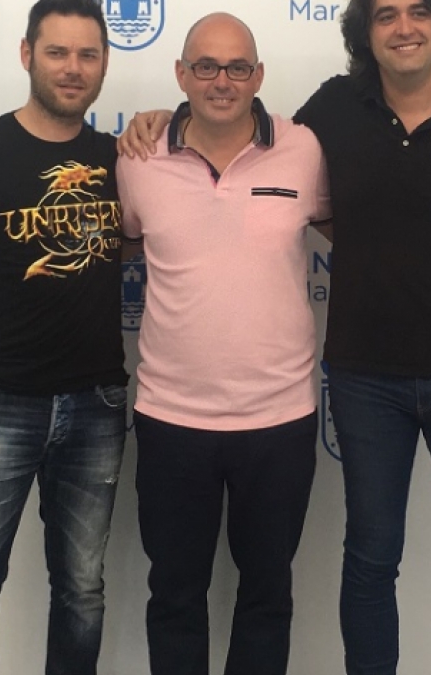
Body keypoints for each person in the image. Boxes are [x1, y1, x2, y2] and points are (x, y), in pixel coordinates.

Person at [122, 1, 431, 672]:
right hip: (362, 381)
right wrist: (155, 119)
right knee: (369, 561)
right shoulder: (330, 111)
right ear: (365, 34)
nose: (403, 27)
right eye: (385, 16)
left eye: (418, 12)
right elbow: (226, 132)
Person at [115, 12, 331, 675]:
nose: (222, 81)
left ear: (258, 76)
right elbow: (118, 243)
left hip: (280, 418)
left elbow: (359, 230)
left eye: (238, 67)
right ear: (181, 74)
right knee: (175, 595)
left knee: (267, 594)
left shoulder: (305, 149)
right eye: (205, 66)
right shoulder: (137, 159)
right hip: (172, 418)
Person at [0, 1, 128, 673]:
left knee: (83, 591)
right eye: (57, 52)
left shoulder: (119, 159)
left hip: (96, 406)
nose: (73, 68)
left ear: (104, 64)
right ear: (27, 53)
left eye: (87, 55)